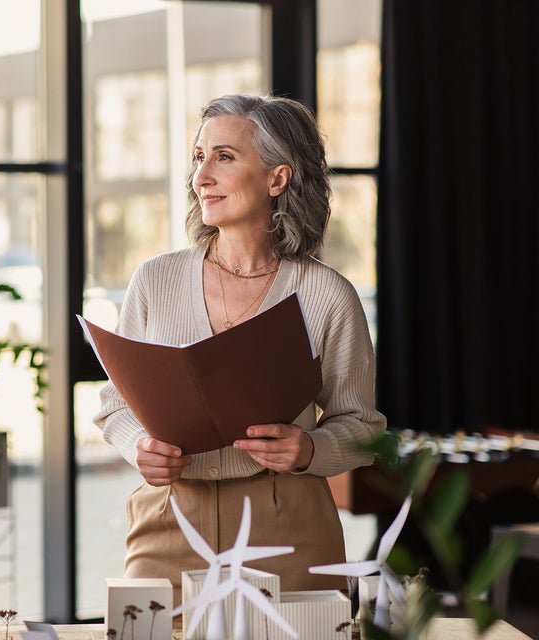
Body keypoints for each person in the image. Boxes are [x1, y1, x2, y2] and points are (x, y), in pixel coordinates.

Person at [94, 93, 386, 612]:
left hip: (288, 522)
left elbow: (363, 428)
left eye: (224, 157)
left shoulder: (327, 296)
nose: (201, 176)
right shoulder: (154, 280)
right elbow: (116, 402)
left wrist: (310, 449)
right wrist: (139, 444)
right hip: (170, 515)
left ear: (278, 178)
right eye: (198, 157)